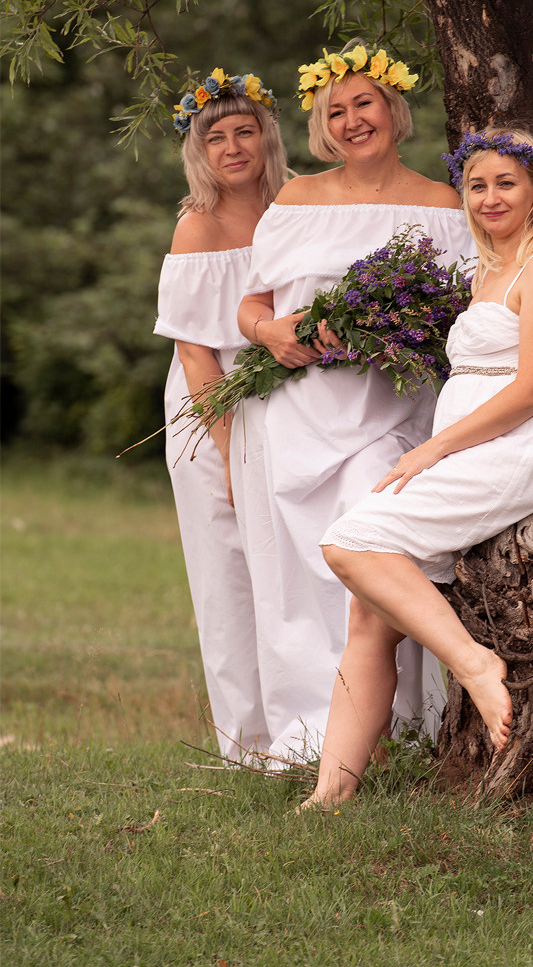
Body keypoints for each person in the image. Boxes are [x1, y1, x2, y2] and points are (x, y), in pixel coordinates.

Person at [302, 126, 533, 807]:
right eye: (477, 185)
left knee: (349, 542)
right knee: (368, 616)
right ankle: (329, 794)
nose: (490, 198)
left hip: (521, 448)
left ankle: (475, 665)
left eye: (506, 183)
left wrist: (433, 449)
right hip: (474, 447)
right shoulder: (487, 270)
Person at [231, 42, 475, 764]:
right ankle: (310, 738)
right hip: (295, 411)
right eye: (334, 111)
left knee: (376, 557)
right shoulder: (295, 200)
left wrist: (395, 328)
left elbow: (462, 311)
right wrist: (272, 332)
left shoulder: (442, 205)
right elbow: (251, 305)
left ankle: (396, 731)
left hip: (391, 415)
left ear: (393, 110)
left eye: (363, 103)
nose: (350, 120)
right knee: (297, 578)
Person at [154, 68, 288, 760]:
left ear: (267, 137)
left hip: (286, 397)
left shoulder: (295, 207)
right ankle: (251, 744)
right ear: (198, 150)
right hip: (214, 404)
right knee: (229, 570)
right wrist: (230, 452)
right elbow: (195, 350)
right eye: (217, 137)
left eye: (245, 132)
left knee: (289, 562)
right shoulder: (197, 226)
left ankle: (313, 723)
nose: (233, 148)